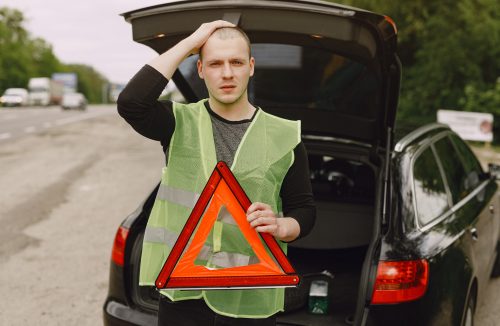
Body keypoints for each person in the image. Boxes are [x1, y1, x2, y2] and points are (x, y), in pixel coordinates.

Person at [117, 20, 315, 326]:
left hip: (249, 296)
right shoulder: (177, 121)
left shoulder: (283, 136)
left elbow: (304, 210)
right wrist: (191, 40)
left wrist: (282, 226)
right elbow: (131, 102)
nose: (226, 73)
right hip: (184, 293)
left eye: (236, 62)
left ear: (251, 67)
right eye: (215, 63)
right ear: (200, 69)